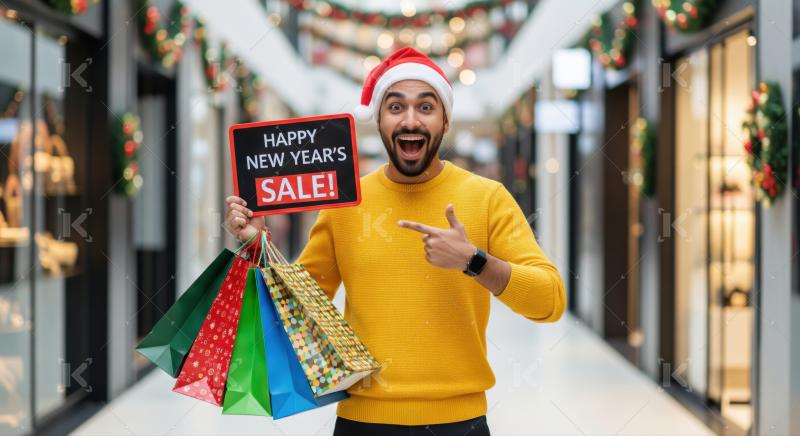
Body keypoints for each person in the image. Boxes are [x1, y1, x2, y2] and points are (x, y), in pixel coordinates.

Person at [224, 47, 566, 436]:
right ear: (379, 120)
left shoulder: (487, 198)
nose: (410, 120)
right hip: (362, 423)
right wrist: (257, 243)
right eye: (396, 107)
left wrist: (474, 261)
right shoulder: (345, 202)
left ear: (445, 120)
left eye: (425, 107)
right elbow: (298, 313)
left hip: (460, 423)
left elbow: (550, 301)